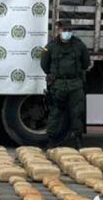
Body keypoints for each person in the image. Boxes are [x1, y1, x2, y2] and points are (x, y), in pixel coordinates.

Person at [39, 19, 91, 149]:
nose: (67, 32)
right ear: (59, 30)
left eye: (69, 30)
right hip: (58, 85)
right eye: (64, 30)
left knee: (77, 113)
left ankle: (78, 140)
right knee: (55, 113)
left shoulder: (79, 45)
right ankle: (51, 140)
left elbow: (86, 62)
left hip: (75, 84)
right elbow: (44, 64)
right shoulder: (50, 46)